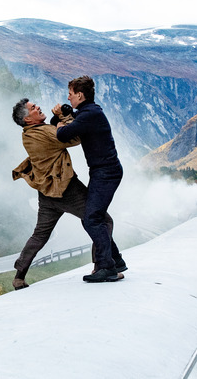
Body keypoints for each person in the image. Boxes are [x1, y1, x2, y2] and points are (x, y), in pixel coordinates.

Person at [11, 98, 126, 290]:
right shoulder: (45, 132)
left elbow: (55, 133)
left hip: (46, 194)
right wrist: (66, 117)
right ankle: (102, 266)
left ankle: (19, 276)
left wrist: (57, 120)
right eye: (33, 108)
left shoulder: (28, 135)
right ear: (28, 119)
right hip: (67, 190)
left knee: (39, 235)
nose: (38, 107)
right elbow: (74, 137)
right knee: (100, 220)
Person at [55, 76, 124, 283]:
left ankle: (107, 267)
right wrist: (62, 116)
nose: (68, 96)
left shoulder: (89, 115)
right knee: (96, 217)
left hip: (106, 173)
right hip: (103, 171)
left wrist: (59, 123)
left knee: (91, 219)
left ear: (79, 95)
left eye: (70, 93)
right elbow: (73, 120)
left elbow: (63, 135)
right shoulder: (89, 112)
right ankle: (116, 261)